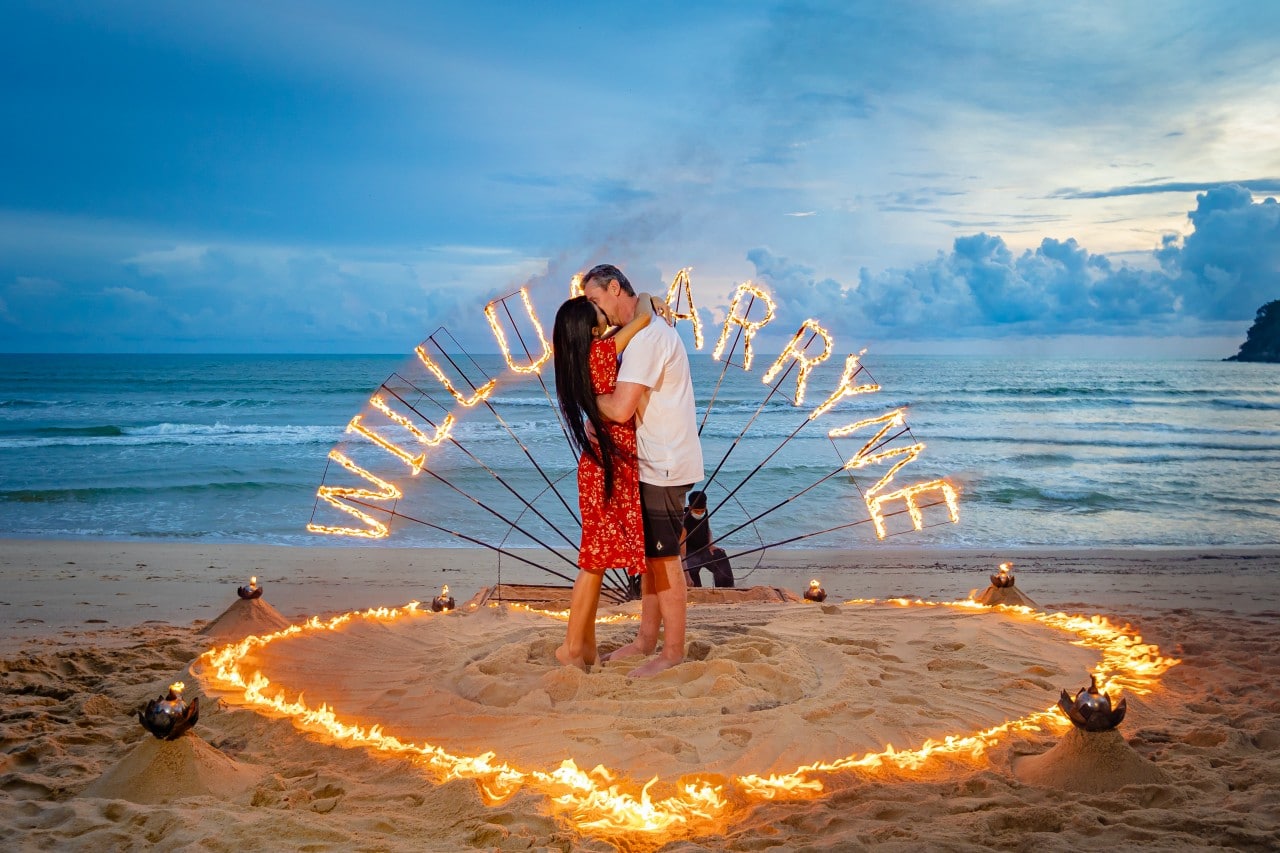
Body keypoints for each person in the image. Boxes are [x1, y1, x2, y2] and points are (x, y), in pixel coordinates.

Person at [585, 263, 704, 678]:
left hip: (664, 465)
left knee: (665, 560)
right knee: (655, 559)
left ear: (615, 288)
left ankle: (671, 652)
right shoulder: (645, 329)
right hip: (659, 460)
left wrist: (587, 398)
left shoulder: (648, 338)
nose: (597, 312)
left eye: (596, 300)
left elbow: (619, 408)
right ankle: (646, 640)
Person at [551, 292, 657, 670]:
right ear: (591, 327)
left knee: (595, 557)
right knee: (594, 561)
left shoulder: (579, 360)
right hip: (607, 466)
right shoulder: (601, 350)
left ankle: (587, 649)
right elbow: (643, 318)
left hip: (603, 464)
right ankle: (571, 649)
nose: (608, 316)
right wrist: (645, 298)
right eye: (600, 312)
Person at [680, 490, 734, 588]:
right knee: (692, 579)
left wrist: (710, 544)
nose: (700, 513)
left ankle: (726, 589)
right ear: (690, 507)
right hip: (689, 555)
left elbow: (707, 529)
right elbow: (682, 554)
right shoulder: (684, 522)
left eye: (702, 510)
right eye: (696, 511)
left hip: (704, 549)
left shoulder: (705, 513)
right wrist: (687, 577)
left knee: (720, 555)